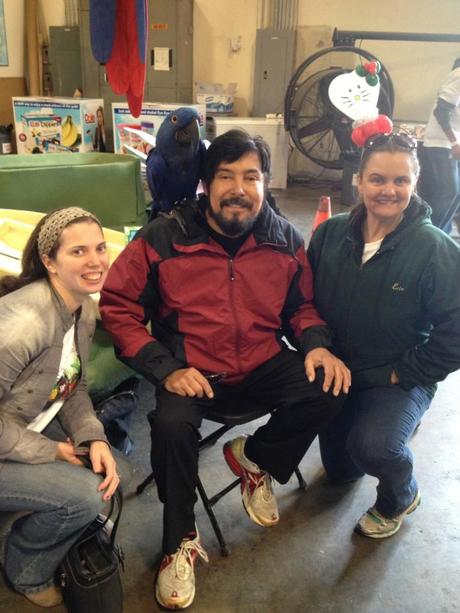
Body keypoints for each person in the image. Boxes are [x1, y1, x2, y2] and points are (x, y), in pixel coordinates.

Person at [100, 129, 350, 610]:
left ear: (265, 182)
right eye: (226, 176)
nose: (239, 188)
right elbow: (118, 306)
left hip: (260, 360)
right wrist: (165, 368)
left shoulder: (283, 238)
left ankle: (256, 457)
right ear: (205, 184)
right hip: (192, 369)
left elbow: (302, 307)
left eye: (251, 176)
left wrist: (316, 344)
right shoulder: (163, 237)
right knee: (171, 426)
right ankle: (179, 541)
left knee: (331, 387)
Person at [308, 132, 460, 539]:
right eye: (377, 179)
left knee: (375, 449)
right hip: (340, 372)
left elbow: (457, 331)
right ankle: (382, 428)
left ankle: (400, 495)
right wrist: (317, 346)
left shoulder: (435, 249)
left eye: (400, 181)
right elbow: (302, 302)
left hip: (397, 375)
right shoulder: (329, 234)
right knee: (340, 472)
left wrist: (409, 372)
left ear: (415, 183)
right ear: (359, 180)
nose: (388, 191)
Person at [0, 207, 123, 608]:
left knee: (112, 470)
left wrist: (92, 436)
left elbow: (73, 387)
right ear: (49, 261)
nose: (96, 261)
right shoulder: (24, 325)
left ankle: (33, 510)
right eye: (78, 252)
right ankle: (25, 571)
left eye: (101, 248)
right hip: (12, 434)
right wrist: (50, 452)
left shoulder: (82, 307)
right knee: (87, 497)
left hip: (25, 423)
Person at [419, 57, 460, 234]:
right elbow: (441, 110)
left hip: (449, 142)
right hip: (441, 143)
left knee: (454, 193)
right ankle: (429, 234)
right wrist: (454, 142)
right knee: (449, 191)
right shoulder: (459, 75)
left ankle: (441, 233)